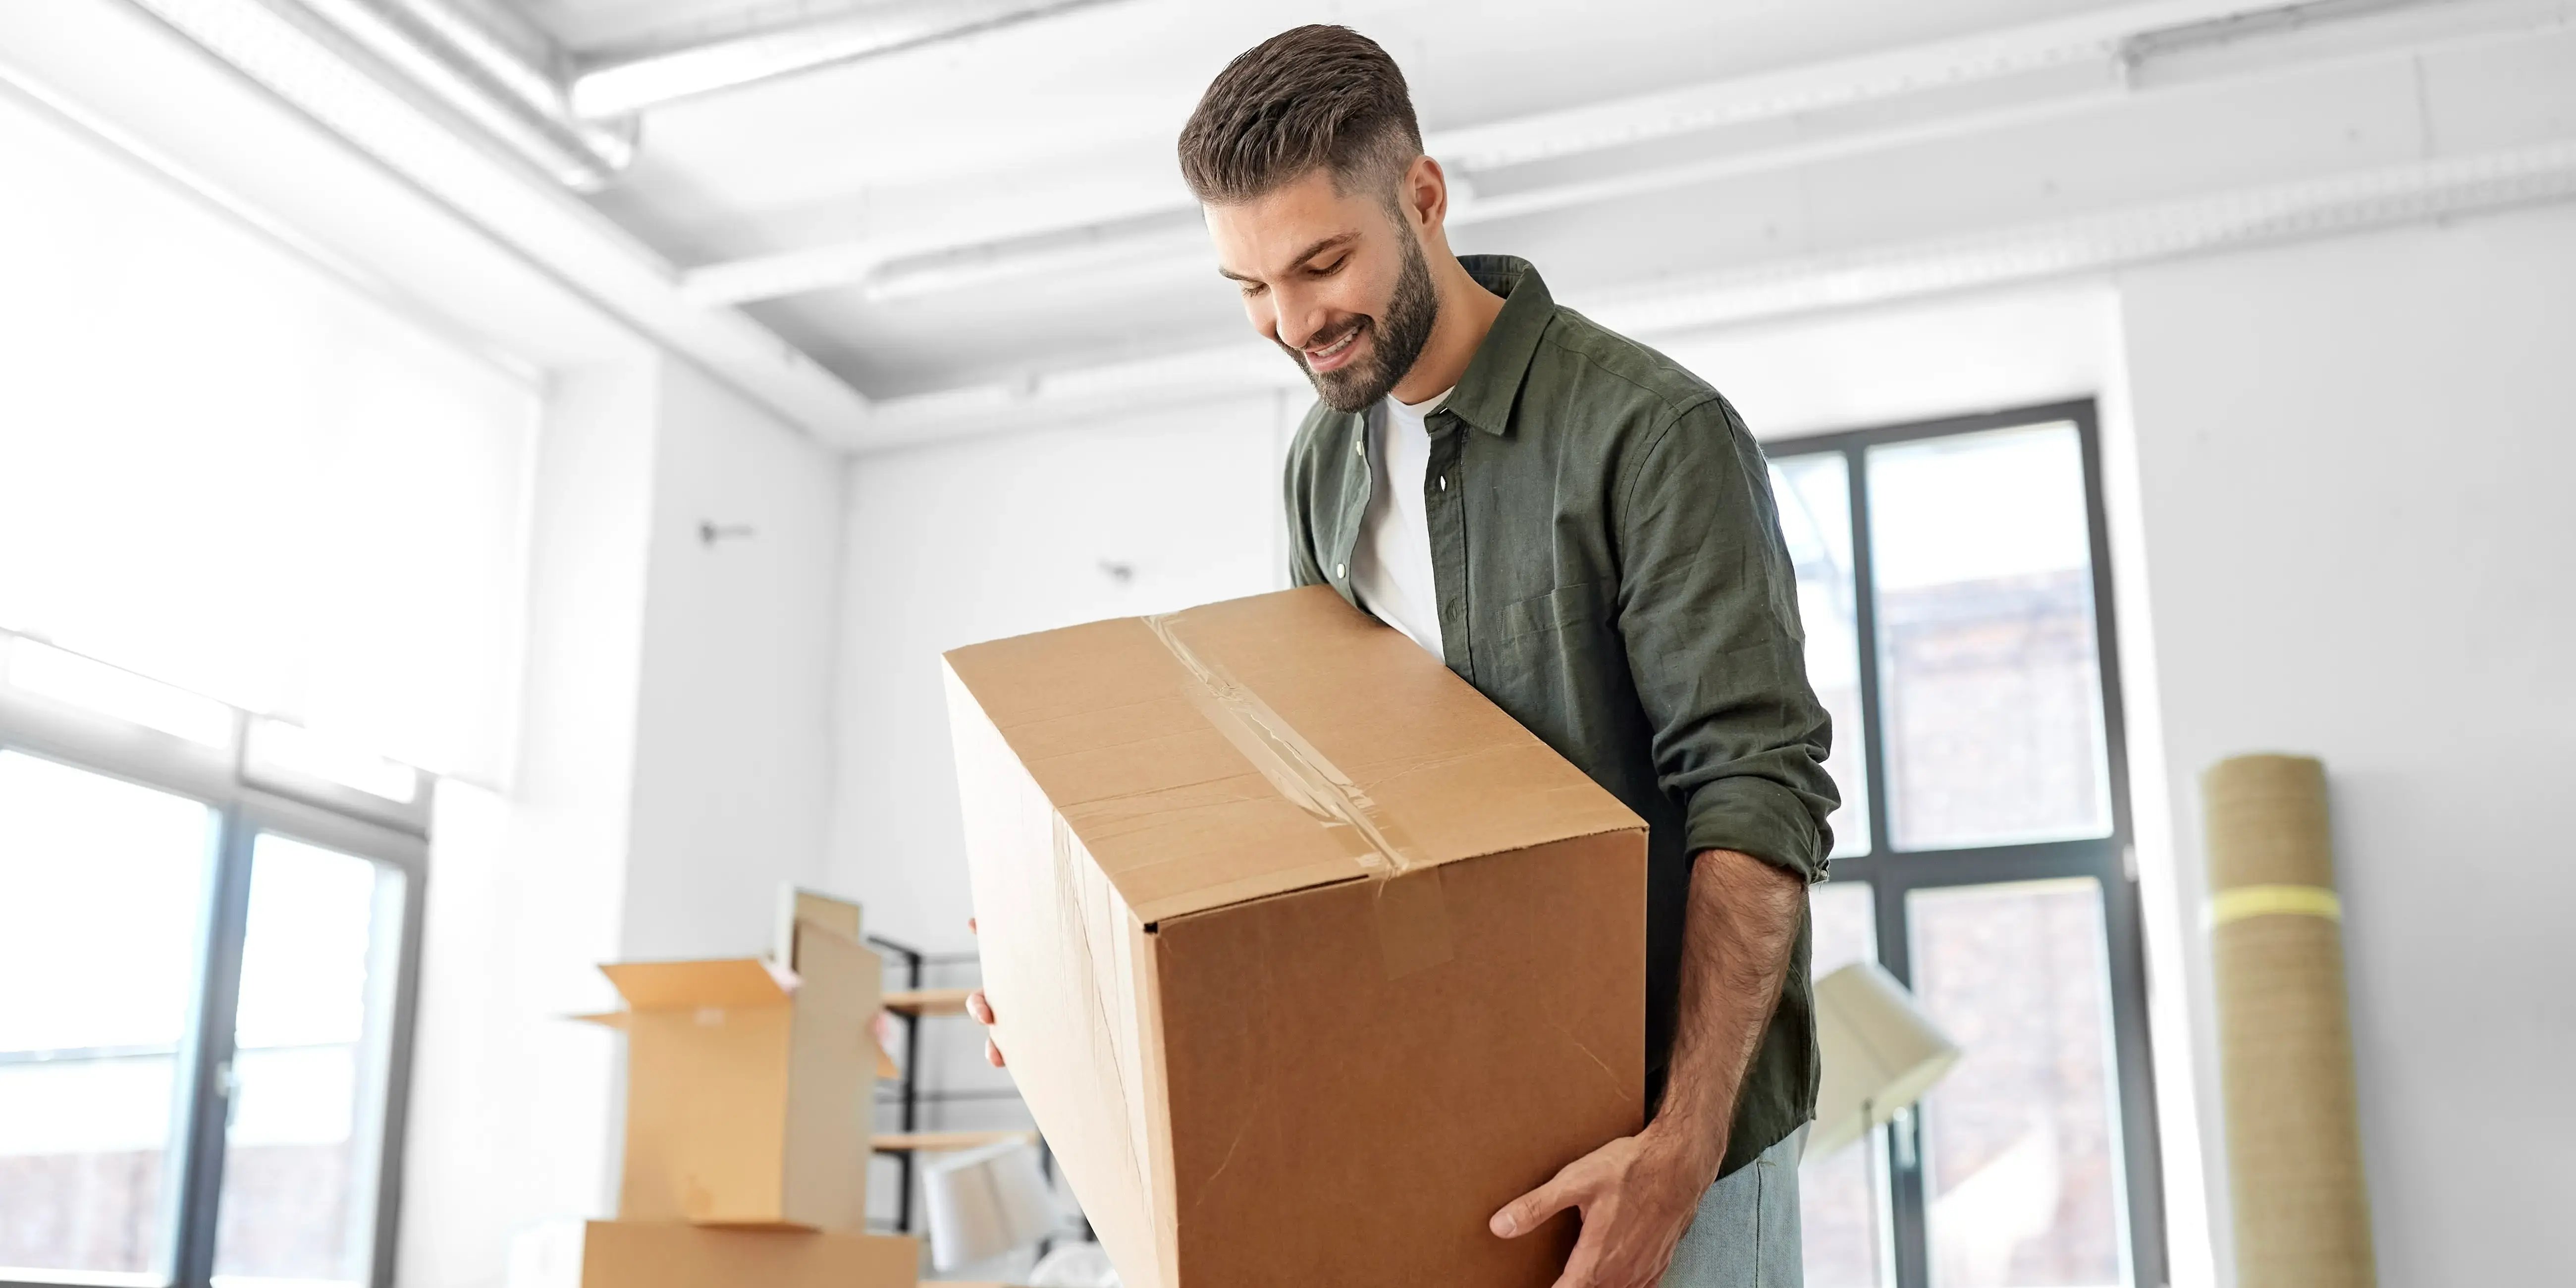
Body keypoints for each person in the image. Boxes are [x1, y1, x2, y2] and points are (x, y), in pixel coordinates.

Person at [967, 24, 1838, 1288]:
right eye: (1251, 288)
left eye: (1321, 265)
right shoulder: (1322, 472)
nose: (1290, 322)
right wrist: (1067, 985)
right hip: (1448, 1132)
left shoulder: (1650, 434)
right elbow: (1319, 831)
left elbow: (1755, 798)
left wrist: (1683, 1142)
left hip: (1665, 1158)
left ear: (1422, 197)